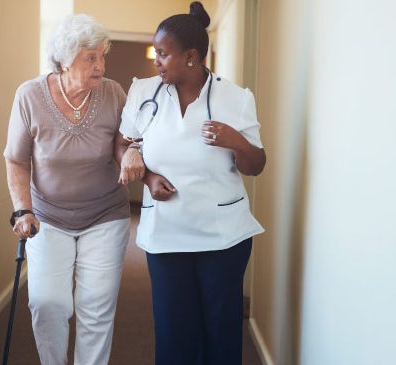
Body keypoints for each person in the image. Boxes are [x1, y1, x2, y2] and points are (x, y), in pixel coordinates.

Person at [115, 2, 266, 364]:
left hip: (222, 236)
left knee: (221, 329)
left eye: (163, 54)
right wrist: (147, 176)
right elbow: (122, 143)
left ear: (192, 57)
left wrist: (237, 141)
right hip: (165, 234)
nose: (157, 61)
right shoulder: (144, 92)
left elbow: (256, 165)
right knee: (173, 330)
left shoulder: (236, 98)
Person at [4, 14, 130, 365]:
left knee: (97, 306)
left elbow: (125, 142)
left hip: (106, 214)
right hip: (48, 216)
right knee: (47, 302)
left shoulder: (113, 93)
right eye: (90, 57)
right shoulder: (29, 96)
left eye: (102, 56)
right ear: (63, 59)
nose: (100, 65)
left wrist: (132, 151)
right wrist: (22, 208)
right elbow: (16, 160)